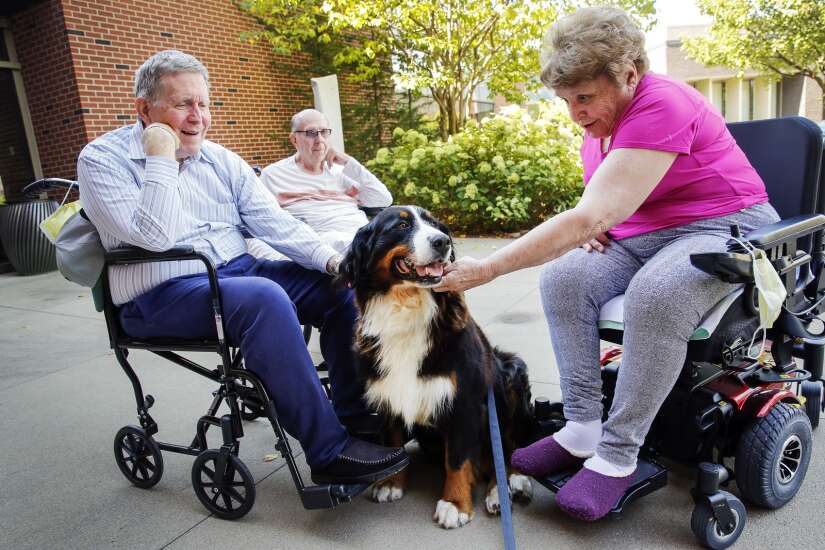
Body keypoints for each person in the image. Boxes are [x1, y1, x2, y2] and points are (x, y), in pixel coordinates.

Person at [435, 6, 779, 521]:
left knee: (655, 295)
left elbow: (590, 212)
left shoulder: (663, 103)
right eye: (565, 100)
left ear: (630, 76)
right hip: (647, 234)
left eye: (585, 97)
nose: (575, 112)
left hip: (722, 226)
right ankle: (581, 428)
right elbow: (603, 207)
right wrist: (600, 228)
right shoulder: (600, 125)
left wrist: (489, 268)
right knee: (566, 276)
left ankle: (617, 456)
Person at [77, 50, 407, 485]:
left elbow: (274, 222)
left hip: (237, 271)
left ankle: (355, 417)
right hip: (160, 293)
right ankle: (328, 451)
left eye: (204, 103)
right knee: (264, 297)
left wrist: (334, 261)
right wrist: (161, 155)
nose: (198, 117)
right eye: (182, 104)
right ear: (144, 108)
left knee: (341, 287)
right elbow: (155, 236)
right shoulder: (101, 160)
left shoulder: (220, 159)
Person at [246, 108, 392, 260]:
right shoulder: (273, 175)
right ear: (294, 139)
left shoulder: (342, 170)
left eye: (324, 132)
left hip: (364, 238)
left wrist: (349, 162)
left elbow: (383, 199)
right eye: (311, 133)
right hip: (323, 247)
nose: (320, 140)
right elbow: (255, 223)